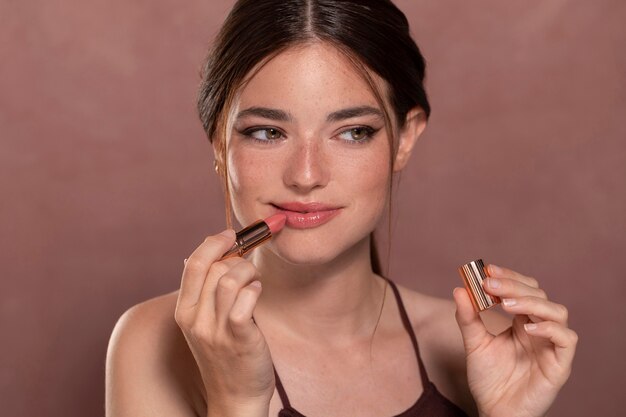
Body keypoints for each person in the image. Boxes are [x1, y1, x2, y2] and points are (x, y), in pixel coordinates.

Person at [105, 1, 578, 416]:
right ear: (219, 144)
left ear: (405, 139)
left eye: (353, 132)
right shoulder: (153, 343)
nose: (306, 175)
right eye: (268, 132)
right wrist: (237, 403)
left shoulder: (478, 344)